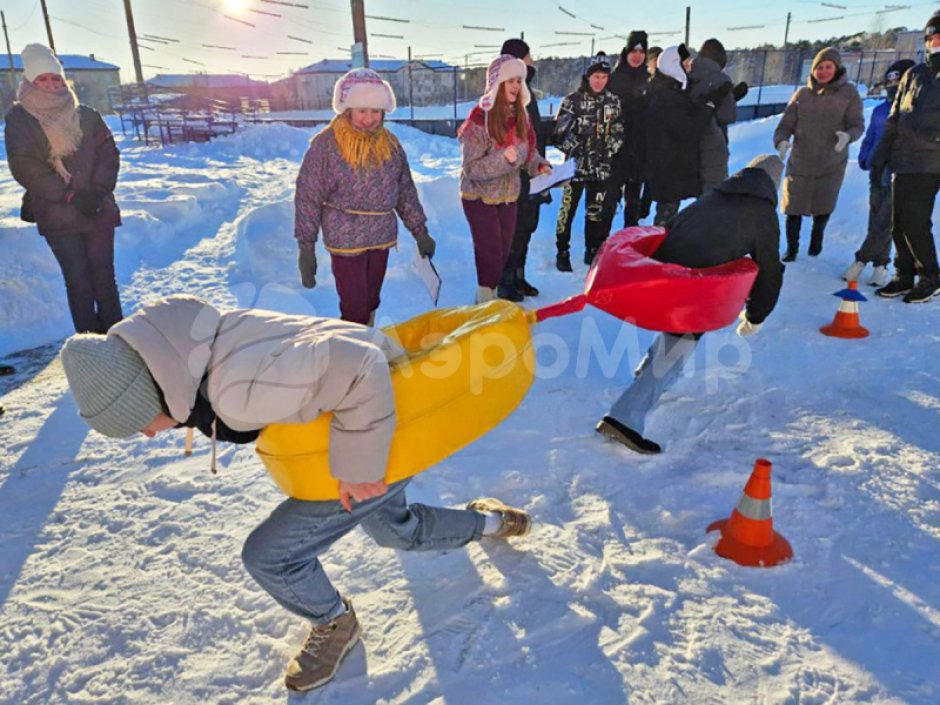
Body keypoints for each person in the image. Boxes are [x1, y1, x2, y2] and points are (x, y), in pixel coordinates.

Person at [59, 294, 532, 693]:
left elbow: (359, 367)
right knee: (396, 530)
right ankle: (491, 521)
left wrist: (358, 467)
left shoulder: (234, 387)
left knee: (269, 556)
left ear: (149, 393)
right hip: (388, 419)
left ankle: (334, 620)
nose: (147, 435)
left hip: (377, 428)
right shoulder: (200, 343)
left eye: (139, 423)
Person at [596, 156, 785, 454]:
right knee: (681, 341)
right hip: (698, 282)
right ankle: (623, 419)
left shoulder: (714, 194)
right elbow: (770, 270)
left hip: (668, 270)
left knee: (678, 334)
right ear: (774, 184)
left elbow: (673, 225)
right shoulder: (762, 213)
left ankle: (646, 372)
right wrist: (756, 314)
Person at [294, 68, 435, 326]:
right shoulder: (326, 145)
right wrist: (306, 246)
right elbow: (308, 196)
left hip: (381, 235)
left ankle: (364, 341)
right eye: (362, 111)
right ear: (347, 109)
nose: (369, 119)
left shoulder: (390, 144)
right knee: (354, 304)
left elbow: (404, 191)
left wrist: (420, 231)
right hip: (345, 237)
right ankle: (352, 353)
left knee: (371, 300)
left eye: (375, 111)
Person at [4, 43, 123, 334]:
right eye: (43, 79)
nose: (51, 84)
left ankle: (121, 343)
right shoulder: (20, 120)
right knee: (79, 282)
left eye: (56, 78)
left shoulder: (87, 115)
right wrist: (69, 195)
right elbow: (25, 167)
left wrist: (96, 193)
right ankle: (90, 352)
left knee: (105, 280)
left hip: (97, 209)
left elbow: (108, 154)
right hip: (58, 215)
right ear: (30, 81)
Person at [459, 54, 551, 303]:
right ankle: (484, 304)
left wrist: (539, 165)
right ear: (496, 83)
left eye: (519, 80)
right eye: (509, 80)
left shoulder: (521, 115)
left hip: (509, 195)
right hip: (479, 197)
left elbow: (529, 152)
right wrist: (505, 159)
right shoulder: (479, 119)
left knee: (502, 255)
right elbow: (471, 169)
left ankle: (492, 303)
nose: (515, 86)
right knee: (490, 255)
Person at [871, 11, 940, 304]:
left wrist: (922, 135)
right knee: (898, 222)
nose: (935, 42)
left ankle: (930, 277)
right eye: (932, 37)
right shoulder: (914, 74)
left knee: (916, 221)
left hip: (930, 161)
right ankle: (904, 274)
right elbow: (894, 117)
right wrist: (880, 154)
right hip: (903, 160)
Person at [774, 47, 864, 261]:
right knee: (793, 207)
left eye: (828, 67)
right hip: (800, 161)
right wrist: (782, 141)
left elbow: (857, 124)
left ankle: (816, 241)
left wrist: (847, 136)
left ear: (837, 68)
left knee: (823, 204)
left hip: (831, 161)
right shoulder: (802, 95)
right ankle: (792, 249)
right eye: (819, 68)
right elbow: (785, 125)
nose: (823, 72)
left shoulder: (849, 94)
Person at [844, 59, 916, 288]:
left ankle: (861, 260)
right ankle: (880, 265)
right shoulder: (879, 111)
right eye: (890, 83)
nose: (893, 87)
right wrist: (866, 157)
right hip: (877, 170)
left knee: (886, 222)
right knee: (876, 219)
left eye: (898, 82)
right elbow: (871, 138)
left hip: (900, 173)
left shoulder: (913, 112)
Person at [553, 52, 624, 269]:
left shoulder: (613, 101)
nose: (599, 81)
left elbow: (619, 131)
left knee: (595, 213)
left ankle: (592, 249)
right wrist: (578, 147)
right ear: (588, 76)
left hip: (601, 169)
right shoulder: (572, 101)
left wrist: (611, 147)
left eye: (604, 76)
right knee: (567, 211)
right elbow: (557, 135)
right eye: (596, 76)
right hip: (573, 169)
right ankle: (562, 251)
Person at [496, 38, 553, 301]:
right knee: (514, 228)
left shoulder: (526, 89)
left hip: (533, 169)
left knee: (527, 226)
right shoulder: (505, 93)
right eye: (528, 56)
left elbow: (532, 131)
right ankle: (505, 280)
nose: (532, 60)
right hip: (513, 173)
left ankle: (518, 276)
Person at [645, 44, 713, 227]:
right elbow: (688, 130)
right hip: (668, 168)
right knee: (664, 220)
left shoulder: (671, 89)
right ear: (673, 65)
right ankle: (657, 253)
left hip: (671, 167)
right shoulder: (667, 96)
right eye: (686, 63)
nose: (689, 67)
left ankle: (660, 250)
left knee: (668, 215)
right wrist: (708, 108)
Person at [608, 31, 651, 229]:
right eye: (634, 50)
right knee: (608, 202)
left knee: (632, 204)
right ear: (626, 52)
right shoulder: (614, 80)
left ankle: (630, 246)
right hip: (616, 153)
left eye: (642, 50)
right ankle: (599, 246)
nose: (637, 54)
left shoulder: (649, 80)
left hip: (639, 153)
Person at [688, 38, 737, 193]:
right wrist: (730, 99)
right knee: (713, 194)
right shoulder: (721, 79)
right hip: (714, 143)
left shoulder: (689, 76)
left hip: (692, 142)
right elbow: (728, 115)